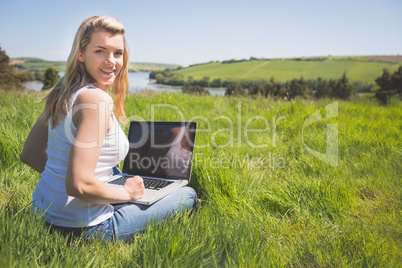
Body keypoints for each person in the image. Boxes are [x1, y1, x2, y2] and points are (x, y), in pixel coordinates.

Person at [20, 15, 197, 242]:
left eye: (118, 53)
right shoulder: (95, 101)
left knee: (116, 174)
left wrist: (64, 185)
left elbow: (30, 154)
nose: (111, 61)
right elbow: (79, 185)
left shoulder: (63, 91)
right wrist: (127, 193)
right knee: (187, 194)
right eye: (100, 51)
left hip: (43, 214)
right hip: (87, 227)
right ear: (81, 54)